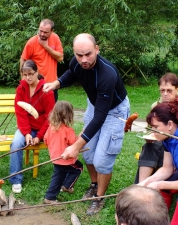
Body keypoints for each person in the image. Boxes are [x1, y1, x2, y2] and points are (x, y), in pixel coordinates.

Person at [43, 33, 130, 215]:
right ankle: (94, 183)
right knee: (89, 155)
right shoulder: (77, 62)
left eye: (88, 54)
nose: (84, 59)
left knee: (101, 160)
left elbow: (100, 118)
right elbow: (71, 74)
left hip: (114, 111)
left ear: (97, 49)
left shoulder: (107, 75)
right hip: (94, 104)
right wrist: (56, 83)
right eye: (79, 55)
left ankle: (99, 197)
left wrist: (75, 146)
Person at [135, 73, 178, 183]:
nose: (165, 94)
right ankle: (140, 183)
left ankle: (146, 182)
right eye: (162, 90)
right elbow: (151, 129)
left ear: (177, 89)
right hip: (160, 140)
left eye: (169, 90)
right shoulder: (155, 106)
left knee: (157, 145)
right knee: (150, 145)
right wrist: (150, 135)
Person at [9, 60, 55, 193]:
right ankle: (16, 179)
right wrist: (27, 133)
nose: (28, 77)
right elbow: (20, 113)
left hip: (43, 129)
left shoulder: (47, 91)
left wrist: (39, 136)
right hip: (26, 128)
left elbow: (50, 116)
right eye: (25, 74)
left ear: (37, 73)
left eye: (31, 74)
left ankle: (64, 177)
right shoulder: (21, 89)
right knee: (16, 143)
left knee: (59, 141)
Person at [43, 101, 83, 204]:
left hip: (55, 159)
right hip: (66, 159)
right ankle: (67, 186)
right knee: (78, 168)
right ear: (68, 115)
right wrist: (80, 138)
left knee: (58, 176)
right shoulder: (68, 130)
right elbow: (74, 145)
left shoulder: (50, 128)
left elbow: (46, 140)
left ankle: (50, 197)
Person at [20, 19, 64, 101]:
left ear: (52, 31)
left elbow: (60, 58)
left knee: (51, 112)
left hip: (52, 84)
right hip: (36, 84)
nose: (42, 34)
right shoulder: (32, 42)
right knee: (36, 111)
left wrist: (46, 47)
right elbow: (23, 59)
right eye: (40, 31)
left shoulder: (55, 38)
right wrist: (23, 78)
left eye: (45, 32)